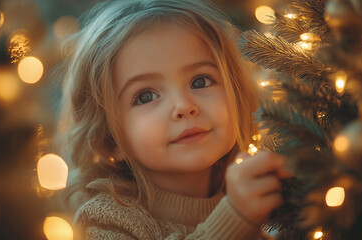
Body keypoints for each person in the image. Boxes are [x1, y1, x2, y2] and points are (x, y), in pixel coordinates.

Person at [57, 0, 291, 239]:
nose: (184, 106)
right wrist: (235, 220)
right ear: (110, 140)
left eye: (200, 81)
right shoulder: (104, 220)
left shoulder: (261, 204)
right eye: (146, 96)